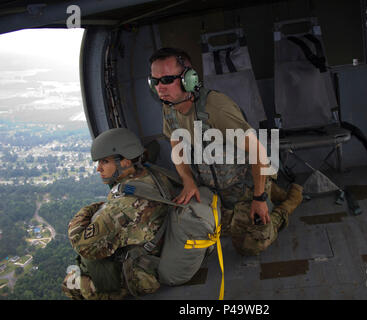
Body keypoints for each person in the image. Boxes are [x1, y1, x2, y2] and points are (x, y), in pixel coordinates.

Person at [149, 47, 303, 256]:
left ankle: (285, 200)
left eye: (167, 79)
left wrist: (258, 199)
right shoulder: (169, 110)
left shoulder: (216, 108)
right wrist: (187, 180)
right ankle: (270, 192)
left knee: (251, 244)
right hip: (217, 188)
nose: (160, 87)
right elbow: (178, 152)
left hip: (246, 183)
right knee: (207, 231)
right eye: (155, 81)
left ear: (189, 79)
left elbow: (258, 152)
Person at [62, 128, 174, 300]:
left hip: (141, 273)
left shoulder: (123, 205)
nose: (99, 168)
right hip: (158, 252)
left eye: (105, 162)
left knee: (70, 284)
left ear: (126, 161)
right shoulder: (153, 174)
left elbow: (83, 246)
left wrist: (89, 209)